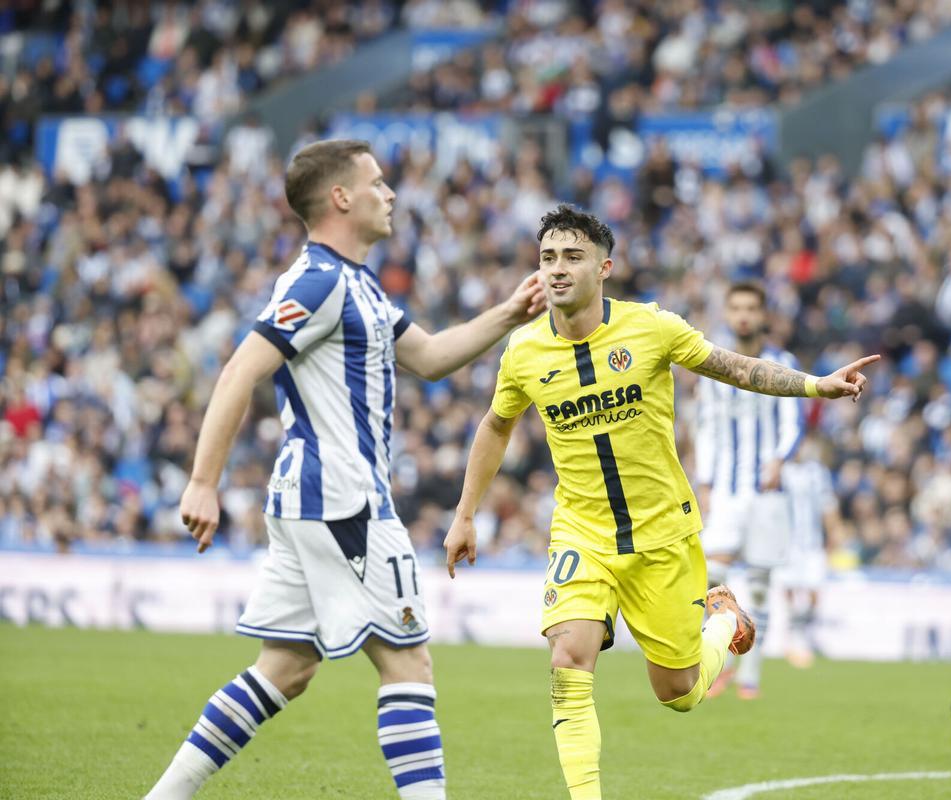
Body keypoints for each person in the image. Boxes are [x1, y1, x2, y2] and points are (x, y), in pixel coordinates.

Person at [143, 139, 546, 800]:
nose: (390, 194)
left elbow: (434, 356)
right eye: (378, 183)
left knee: (286, 667)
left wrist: (508, 311)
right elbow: (243, 369)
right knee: (408, 661)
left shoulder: (359, 285)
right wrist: (203, 480)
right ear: (341, 197)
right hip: (345, 502)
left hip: (312, 503)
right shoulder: (319, 281)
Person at [444, 204, 879, 799]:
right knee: (569, 659)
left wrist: (814, 385)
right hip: (581, 533)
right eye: (548, 258)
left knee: (676, 692)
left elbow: (735, 366)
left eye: (573, 256)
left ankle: (725, 622)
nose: (557, 269)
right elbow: (496, 427)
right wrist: (465, 513)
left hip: (662, 536)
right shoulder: (522, 352)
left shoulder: (651, 328)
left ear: (605, 267)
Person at [693, 281, 804, 700]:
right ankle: (718, 658)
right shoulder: (712, 362)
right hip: (724, 487)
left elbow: (795, 418)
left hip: (766, 490)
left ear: (762, 315)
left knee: (758, 581)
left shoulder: (783, 361)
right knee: (712, 577)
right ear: (727, 312)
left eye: (750, 308)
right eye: (735, 307)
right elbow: (705, 425)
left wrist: (778, 458)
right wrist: (703, 480)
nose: (742, 315)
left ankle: (750, 676)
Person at [777, 436, 842, 669]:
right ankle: (793, 636)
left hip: (812, 542)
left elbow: (828, 504)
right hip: (788, 542)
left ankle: (803, 630)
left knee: (815, 589)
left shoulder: (817, 472)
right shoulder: (782, 471)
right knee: (789, 588)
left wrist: (834, 531)